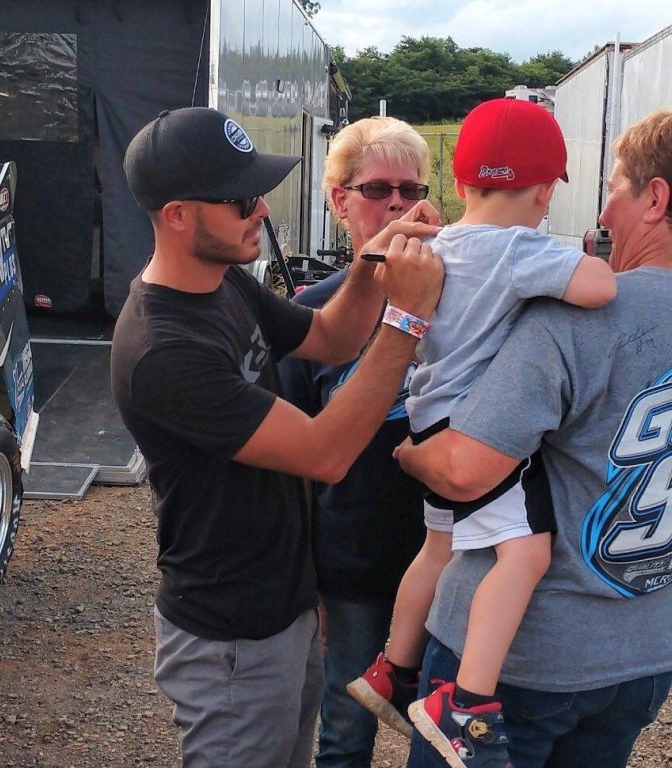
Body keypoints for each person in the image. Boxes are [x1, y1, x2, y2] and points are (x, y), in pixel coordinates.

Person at [396, 108, 672, 768]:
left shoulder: (575, 319)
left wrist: (407, 452)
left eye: (616, 187)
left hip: (523, 663)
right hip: (644, 659)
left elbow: (464, 470)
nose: (602, 212)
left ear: (655, 200)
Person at [109, 106, 444, 768]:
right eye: (241, 200)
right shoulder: (164, 349)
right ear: (178, 215)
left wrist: (372, 264)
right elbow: (326, 453)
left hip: (283, 610)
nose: (260, 209)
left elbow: (333, 337)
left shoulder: (225, 281)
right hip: (230, 635)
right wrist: (407, 318)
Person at [345, 98, 617, 767]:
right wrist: (583, 259)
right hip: (476, 428)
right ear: (545, 191)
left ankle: (392, 668)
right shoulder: (522, 250)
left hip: (427, 413)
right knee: (524, 554)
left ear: (460, 183)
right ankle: (466, 703)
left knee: (439, 546)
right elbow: (600, 289)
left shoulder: (438, 246)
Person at [278, 116, 433, 767]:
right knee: (345, 729)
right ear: (339, 201)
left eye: (412, 188)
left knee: (444, 732)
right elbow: (289, 467)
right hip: (352, 563)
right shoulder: (309, 316)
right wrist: (305, 580)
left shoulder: (469, 303)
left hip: (449, 559)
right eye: (377, 189)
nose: (397, 203)